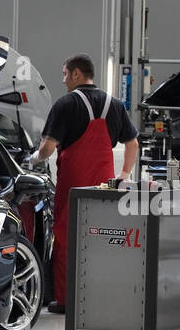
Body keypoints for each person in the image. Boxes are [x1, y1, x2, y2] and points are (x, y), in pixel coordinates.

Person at [28, 54, 139, 313]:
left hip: (73, 186)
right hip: (104, 187)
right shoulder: (116, 104)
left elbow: (47, 149)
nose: (63, 79)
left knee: (67, 238)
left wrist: (33, 158)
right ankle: (100, 296)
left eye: (65, 73)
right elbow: (132, 143)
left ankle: (66, 301)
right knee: (102, 239)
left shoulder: (65, 104)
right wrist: (124, 173)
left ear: (77, 74)